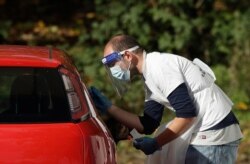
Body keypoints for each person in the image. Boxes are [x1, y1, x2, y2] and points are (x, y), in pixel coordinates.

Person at [89, 34, 243, 164]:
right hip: (207, 134)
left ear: (128, 56)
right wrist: (109, 108)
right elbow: (148, 124)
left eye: (112, 63)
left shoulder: (159, 67)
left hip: (214, 134)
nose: (111, 69)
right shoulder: (149, 76)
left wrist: (156, 143)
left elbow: (187, 115)